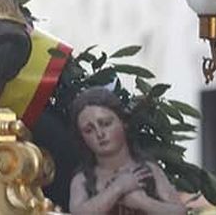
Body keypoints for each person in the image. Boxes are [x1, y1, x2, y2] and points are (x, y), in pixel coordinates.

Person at [67, 87, 187, 215]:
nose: (100, 134)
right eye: (89, 130)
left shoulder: (148, 170)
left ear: (123, 122)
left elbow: (179, 211)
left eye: (106, 124)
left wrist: (142, 202)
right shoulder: (84, 179)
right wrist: (118, 188)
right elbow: (77, 212)